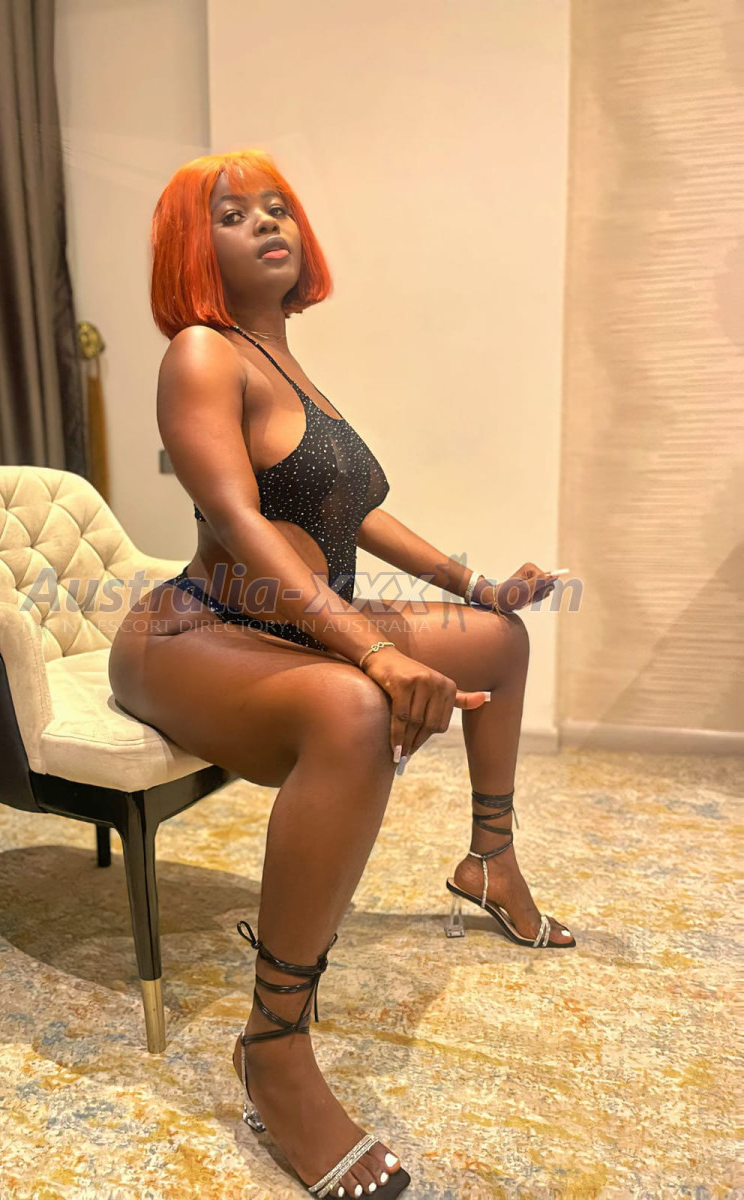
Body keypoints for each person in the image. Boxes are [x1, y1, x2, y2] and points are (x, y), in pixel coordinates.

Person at [108, 148, 571, 1200]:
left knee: (498, 641)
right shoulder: (201, 353)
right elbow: (239, 519)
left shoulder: (289, 366)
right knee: (356, 710)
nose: (268, 222)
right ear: (192, 248)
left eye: (278, 207)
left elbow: (354, 514)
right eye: (234, 214)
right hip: (196, 629)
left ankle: (490, 862)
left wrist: (477, 585)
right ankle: (274, 1047)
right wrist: (371, 648)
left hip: (288, 618)